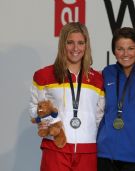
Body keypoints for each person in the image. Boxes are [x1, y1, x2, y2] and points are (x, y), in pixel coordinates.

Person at [29, 22, 104, 171]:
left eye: (80, 43)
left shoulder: (98, 79)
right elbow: (34, 108)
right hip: (55, 148)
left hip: (87, 151)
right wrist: (42, 120)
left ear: (86, 46)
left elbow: (99, 116)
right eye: (70, 42)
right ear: (63, 44)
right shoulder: (44, 76)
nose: (75, 48)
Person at [97, 27, 135, 171]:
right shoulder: (107, 73)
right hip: (104, 154)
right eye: (120, 49)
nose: (125, 54)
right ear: (114, 51)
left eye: (131, 48)